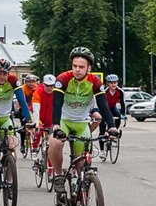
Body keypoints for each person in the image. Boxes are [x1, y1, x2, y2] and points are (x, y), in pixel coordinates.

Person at [49, 47, 118, 188]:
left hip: (82, 123)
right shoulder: (63, 79)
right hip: (64, 120)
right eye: (74, 66)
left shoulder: (95, 82)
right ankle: (58, 175)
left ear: (89, 68)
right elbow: (56, 104)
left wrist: (112, 126)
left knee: (82, 164)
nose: (77, 70)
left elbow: (104, 106)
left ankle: (82, 196)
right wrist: (56, 124)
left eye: (81, 67)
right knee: (56, 143)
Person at [30, 74, 56, 171]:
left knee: (52, 144)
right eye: (47, 85)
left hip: (50, 117)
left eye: (51, 86)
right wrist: (36, 123)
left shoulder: (57, 92)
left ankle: (50, 169)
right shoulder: (38, 91)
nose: (49, 88)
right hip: (38, 115)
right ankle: (35, 147)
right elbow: (36, 110)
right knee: (39, 130)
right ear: (43, 84)